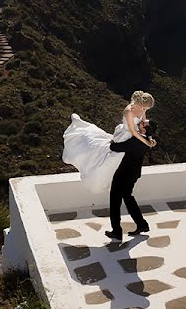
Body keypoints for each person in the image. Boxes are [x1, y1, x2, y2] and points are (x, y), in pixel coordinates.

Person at [62, 91, 157, 241]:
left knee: (115, 199)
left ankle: (117, 231)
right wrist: (148, 140)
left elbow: (115, 148)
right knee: (128, 197)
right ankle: (142, 224)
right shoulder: (142, 141)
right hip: (134, 173)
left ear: (143, 130)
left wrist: (118, 143)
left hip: (124, 173)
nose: (144, 117)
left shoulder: (133, 142)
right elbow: (137, 131)